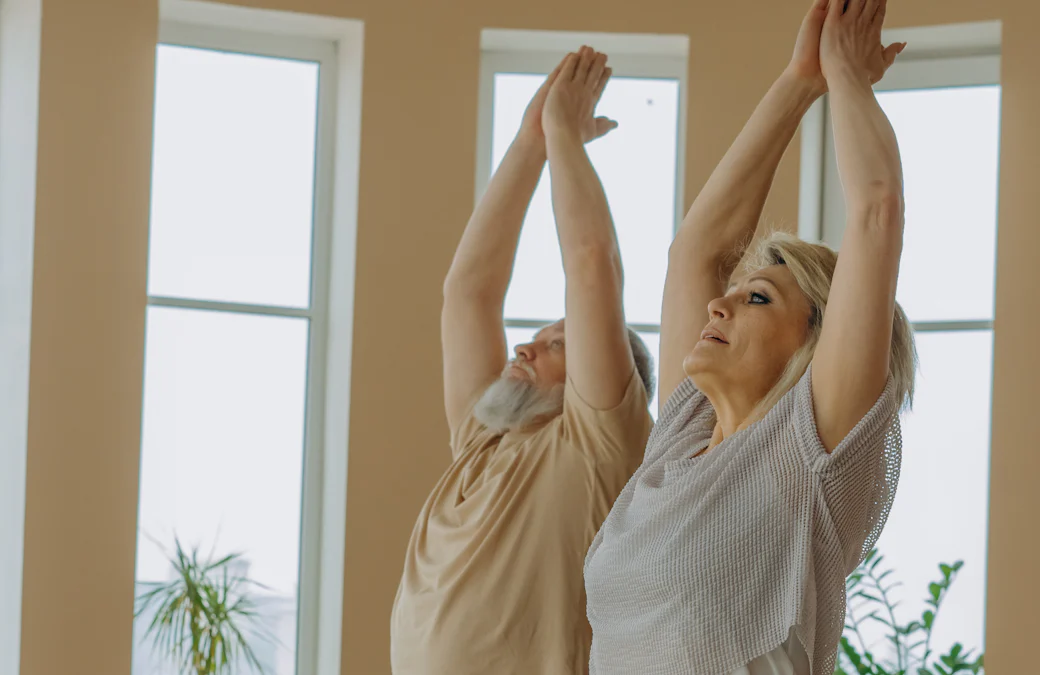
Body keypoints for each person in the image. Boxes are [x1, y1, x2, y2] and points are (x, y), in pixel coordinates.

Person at [583, 1, 916, 674]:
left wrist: (844, 73)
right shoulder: (680, 437)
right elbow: (694, 252)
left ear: (813, 345)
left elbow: (876, 210)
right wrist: (799, 79)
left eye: (757, 297)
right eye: (733, 292)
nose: (718, 302)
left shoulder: (811, 452)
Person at [390, 48, 655, 675]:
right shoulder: (483, 439)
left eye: (558, 343)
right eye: (538, 336)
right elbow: (468, 291)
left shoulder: (598, 446)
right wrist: (529, 141)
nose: (525, 347)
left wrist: (565, 136)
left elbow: (592, 263)